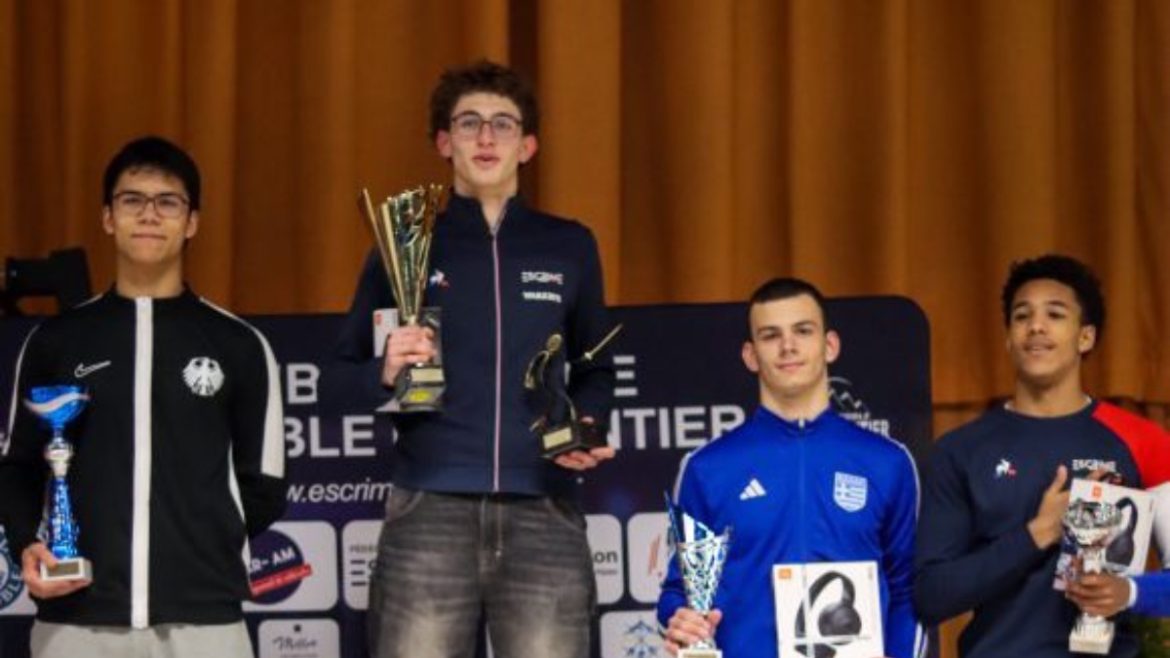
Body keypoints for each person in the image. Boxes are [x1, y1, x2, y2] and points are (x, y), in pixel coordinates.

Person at [330, 60, 615, 658]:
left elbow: (596, 368)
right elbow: (338, 376)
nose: (486, 137)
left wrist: (585, 425)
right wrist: (385, 370)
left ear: (527, 146)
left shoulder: (569, 245)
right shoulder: (404, 242)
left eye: (503, 124)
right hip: (428, 508)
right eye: (469, 123)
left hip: (543, 505)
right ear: (444, 142)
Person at [0, 136, 287, 657]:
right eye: (132, 200)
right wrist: (28, 543)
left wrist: (192, 552)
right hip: (76, 618)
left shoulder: (239, 345)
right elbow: (18, 467)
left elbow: (264, 484)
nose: (149, 214)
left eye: (167, 202)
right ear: (108, 217)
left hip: (204, 624)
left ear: (191, 222)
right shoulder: (56, 341)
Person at [915, 254, 1170, 657]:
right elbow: (932, 595)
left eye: (1055, 314)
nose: (1036, 326)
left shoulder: (1145, 441)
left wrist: (1129, 592)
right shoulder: (960, 450)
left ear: (1085, 337)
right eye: (1022, 316)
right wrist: (1038, 534)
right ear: (1008, 339)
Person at [657, 277, 925, 658]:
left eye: (803, 331)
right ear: (750, 355)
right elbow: (682, 593)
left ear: (829, 345)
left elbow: (909, 589)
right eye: (770, 336)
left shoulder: (887, 462)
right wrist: (679, 620)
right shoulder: (708, 469)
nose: (788, 346)